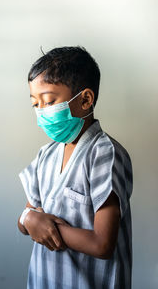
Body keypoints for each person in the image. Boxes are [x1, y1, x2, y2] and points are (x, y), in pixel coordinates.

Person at [17, 46, 133, 289]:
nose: (41, 112)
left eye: (48, 101)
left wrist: (40, 224)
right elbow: (25, 219)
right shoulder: (45, 155)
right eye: (35, 104)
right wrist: (29, 218)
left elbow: (102, 244)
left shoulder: (105, 155)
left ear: (85, 99)